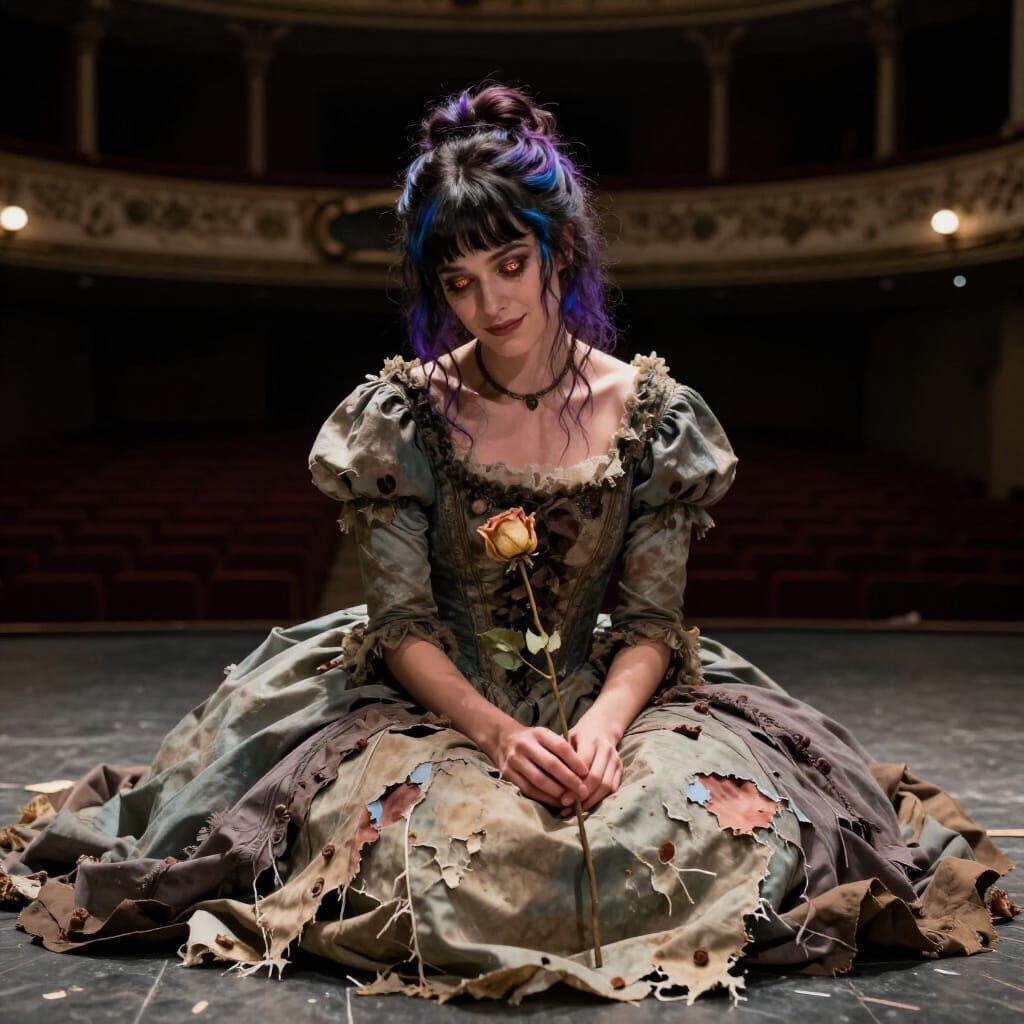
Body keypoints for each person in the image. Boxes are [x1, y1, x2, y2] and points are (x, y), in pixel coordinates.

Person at [0, 83, 1017, 1006]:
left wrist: (606, 728)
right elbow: (400, 623)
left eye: (509, 264)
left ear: (557, 251)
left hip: (612, 691)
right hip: (434, 692)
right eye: (457, 280)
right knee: (449, 860)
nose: (490, 304)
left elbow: (654, 621)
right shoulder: (404, 415)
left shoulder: (653, 412)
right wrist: (496, 733)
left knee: (692, 838)